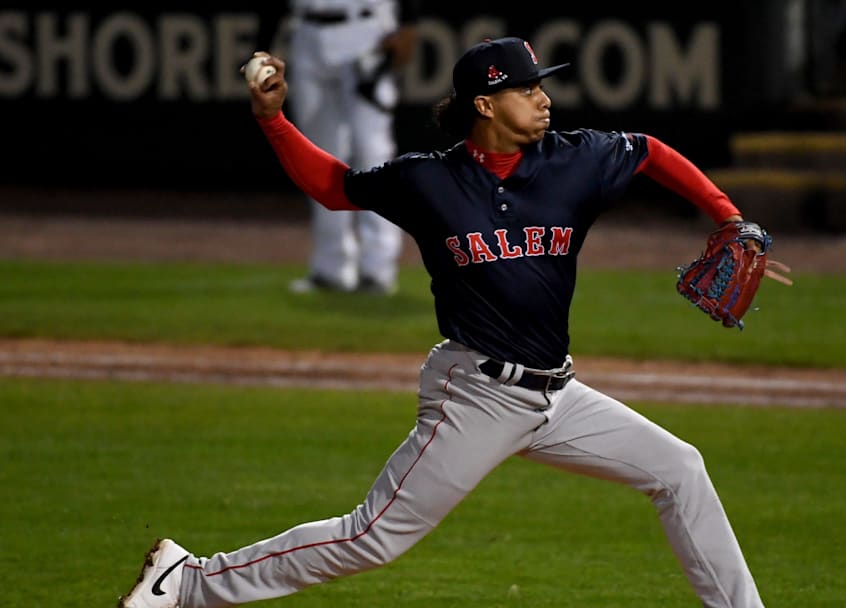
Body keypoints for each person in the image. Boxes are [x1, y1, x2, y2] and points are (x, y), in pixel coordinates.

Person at [118, 37, 767, 608]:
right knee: (371, 537)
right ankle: (188, 582)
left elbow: (650, 151)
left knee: (679, 469)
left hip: (558, 396)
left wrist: (727, 216)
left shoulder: (576, 160)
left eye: (542, 86)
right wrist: (273, 119)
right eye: (525, 88)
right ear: (484, 104)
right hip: (476, 394)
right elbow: (334, 186)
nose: (543, 100)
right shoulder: (429, 181)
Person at [285, 0, 420, 295]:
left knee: (372, 154)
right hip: (306, 32)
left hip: (365, 33)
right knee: (318, 156)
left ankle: (378, 269)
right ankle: (330, 267)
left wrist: (409, 23)